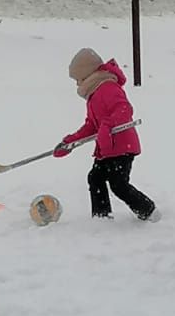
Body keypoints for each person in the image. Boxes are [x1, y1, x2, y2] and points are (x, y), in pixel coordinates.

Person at [54, 48, 156, 221]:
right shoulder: (94, 95)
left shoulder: (108, 88)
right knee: (95, 178)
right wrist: (70, 142)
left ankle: (149, 211)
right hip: (106, 148)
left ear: (87, 75)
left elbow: (125, 109)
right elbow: (91, 126)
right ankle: (101, 217)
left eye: (78, 79)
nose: (77, 84)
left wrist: (107, 126)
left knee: (118, 185)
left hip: (122, 146)